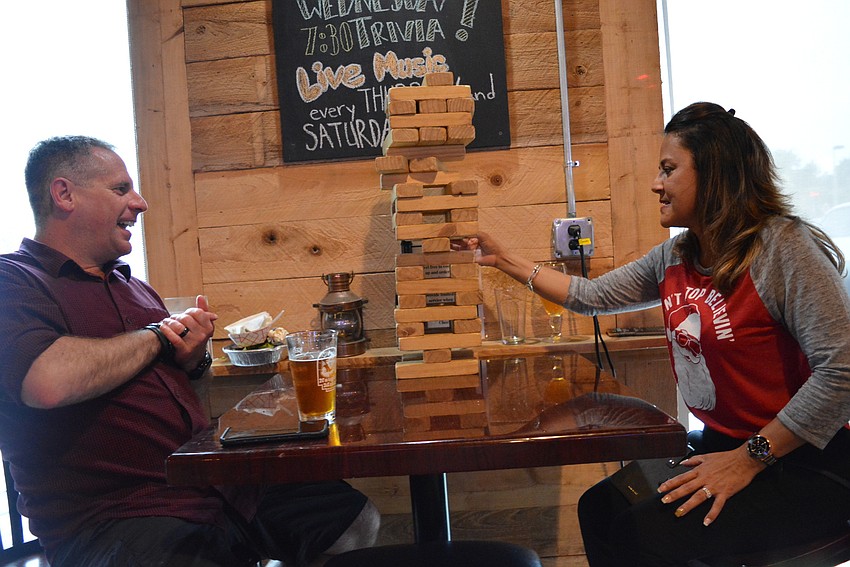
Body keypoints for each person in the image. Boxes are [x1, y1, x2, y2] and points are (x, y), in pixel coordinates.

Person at [459, 102, 850, 566]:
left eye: (668, 169)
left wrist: (748, 459)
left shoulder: (782, 248)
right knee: (602, 508)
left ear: (715, 176)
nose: (655, 183)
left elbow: (841, 372)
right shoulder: (678, 254)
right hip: (725, 448)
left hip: (811, 463)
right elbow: (592, 295)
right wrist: (503, 260)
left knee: (643, 533)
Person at [0, 136, 380, 567]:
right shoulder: (13, 281)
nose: (140, 203)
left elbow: (179, 386)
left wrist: (191, 359)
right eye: (121, 189)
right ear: (64, 194)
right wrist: (159, 336)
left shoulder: (134, 288)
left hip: (219, 483)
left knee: (353, 520)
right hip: (118, 515)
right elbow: (47, 382)